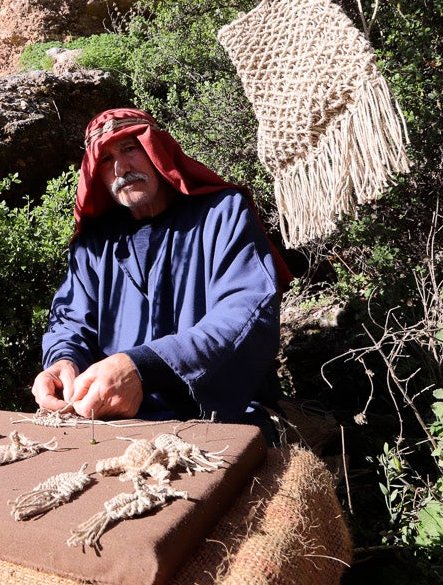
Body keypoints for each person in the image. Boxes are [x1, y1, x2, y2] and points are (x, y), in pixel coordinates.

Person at [32, 107, 291, 425]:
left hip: (217, 418)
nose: (121, 168)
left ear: (157, 151)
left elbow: (245, 313)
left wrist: (142, 367)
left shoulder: (221, 214)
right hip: (116, 422)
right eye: (105, 159)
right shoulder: (94, 246)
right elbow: (70, 323)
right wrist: (63, 361)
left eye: (130, 148)